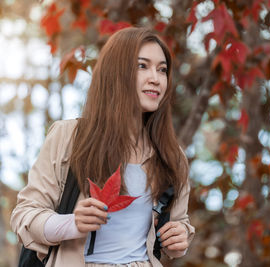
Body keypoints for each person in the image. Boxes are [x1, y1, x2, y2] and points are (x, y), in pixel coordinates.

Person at [10, 27, 195, 267]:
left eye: (162, 69)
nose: (156, 78)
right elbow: (24, 215)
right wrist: (72, 223)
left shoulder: (171, 155)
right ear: (115, 73)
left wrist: (180, 237)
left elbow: (179, 226)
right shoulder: (69, 137)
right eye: (142, 66)